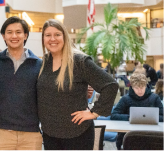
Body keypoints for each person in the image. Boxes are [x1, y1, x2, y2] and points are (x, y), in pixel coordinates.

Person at [37, 19, 118, 151]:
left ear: (65, 37)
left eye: (57, 34)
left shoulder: (80, 62)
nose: (53, 39)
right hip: (50, 133)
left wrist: (94, 112)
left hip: (77, 133)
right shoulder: (43, 63)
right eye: (48, 35)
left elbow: (110, 85)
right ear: (43, 39)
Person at [0, 17, 43, 150]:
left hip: (31, 134)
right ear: (3, 36)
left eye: (18, 32)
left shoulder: (38, 64)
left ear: (25, 35)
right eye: (9, 32)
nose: (14, 36)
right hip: (1, 132)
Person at [111, 73, 164, 150]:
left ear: (146, 86)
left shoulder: (155, 98)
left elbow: (163, 116)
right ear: (132, 87)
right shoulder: (125, 99)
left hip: (151, 136)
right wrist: (130, 118)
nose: (140, 91)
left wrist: (153, 119)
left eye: (142, 87)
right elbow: (114, 115)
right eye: (137, 88)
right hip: (129, 137)